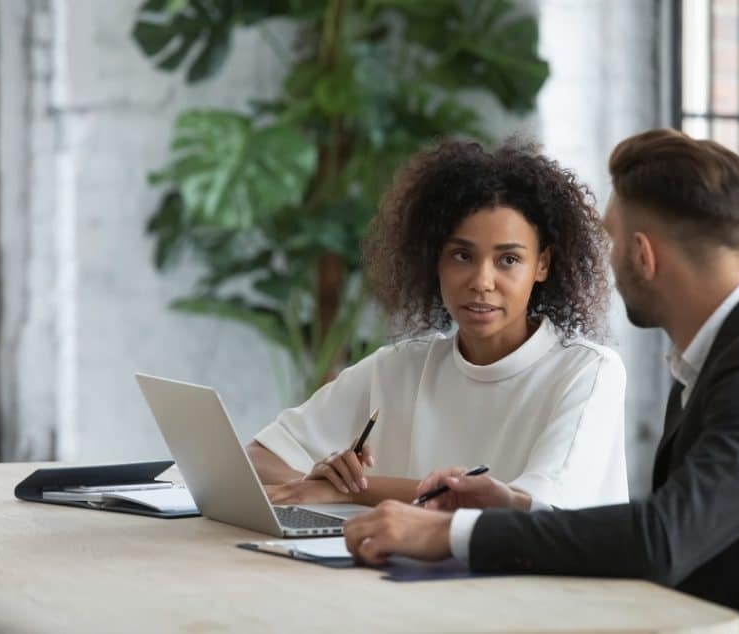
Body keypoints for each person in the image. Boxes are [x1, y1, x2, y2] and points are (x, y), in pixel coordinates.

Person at [342, 129, 739, 633]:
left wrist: (445, 534)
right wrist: (513, 507)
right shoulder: (724, 351)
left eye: (610, 240)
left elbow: (664, 537)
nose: (604, 262)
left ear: (642, 253)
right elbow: (679, 523)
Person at [246, 140, 629, 512]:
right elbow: (256, 458)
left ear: (542, 264)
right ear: (435, 261)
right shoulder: (398, 367)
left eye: (508, 260)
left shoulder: (589, 372)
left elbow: (520, 509)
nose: (481, 281)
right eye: (462, 255)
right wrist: (315, 480)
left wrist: (347, 492)